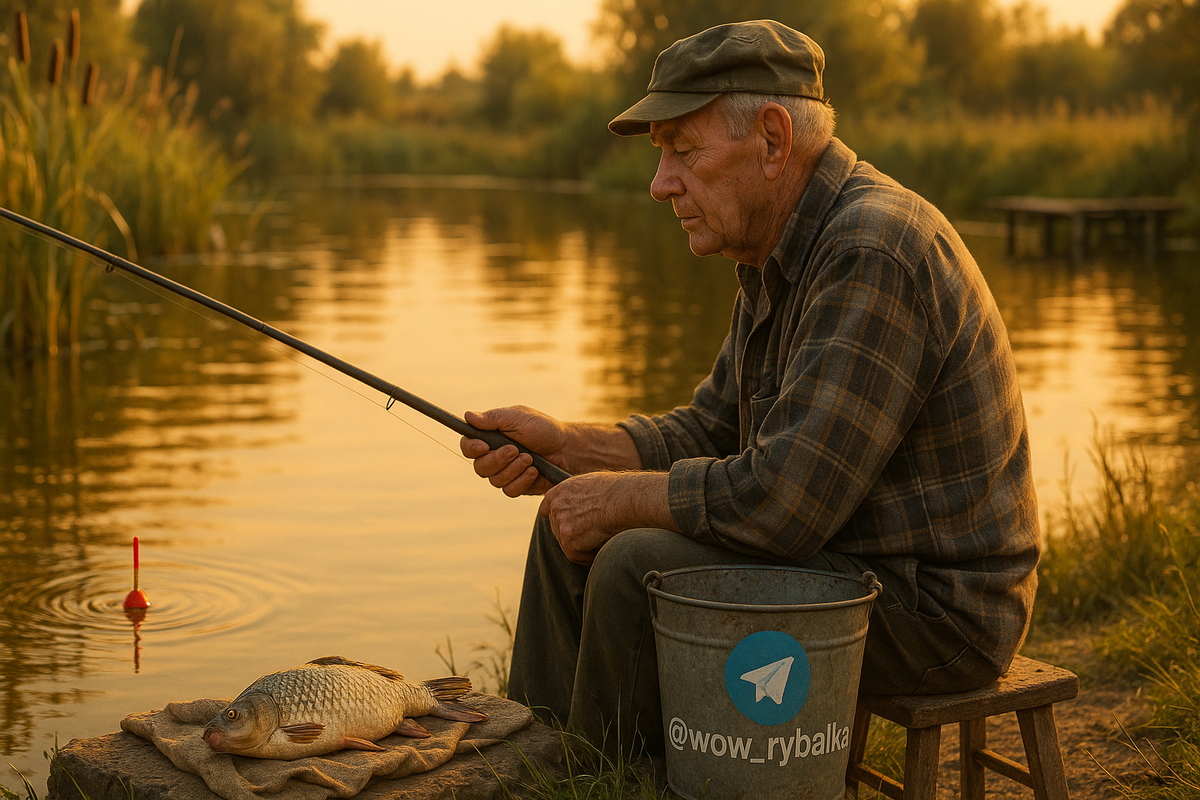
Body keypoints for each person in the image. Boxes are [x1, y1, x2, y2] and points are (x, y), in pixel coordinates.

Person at [459, 19, 1040, 756]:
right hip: (849, 562)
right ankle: (549, 763)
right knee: (565, 527)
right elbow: (712, 429)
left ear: (772, 139)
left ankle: (609, 780)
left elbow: (781, 507)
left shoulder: (872, 250)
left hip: (936, 611)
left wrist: (618, 497)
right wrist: (574, 448)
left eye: (683, 151)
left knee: (634, 560)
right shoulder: (776, 246)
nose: (659, 182)